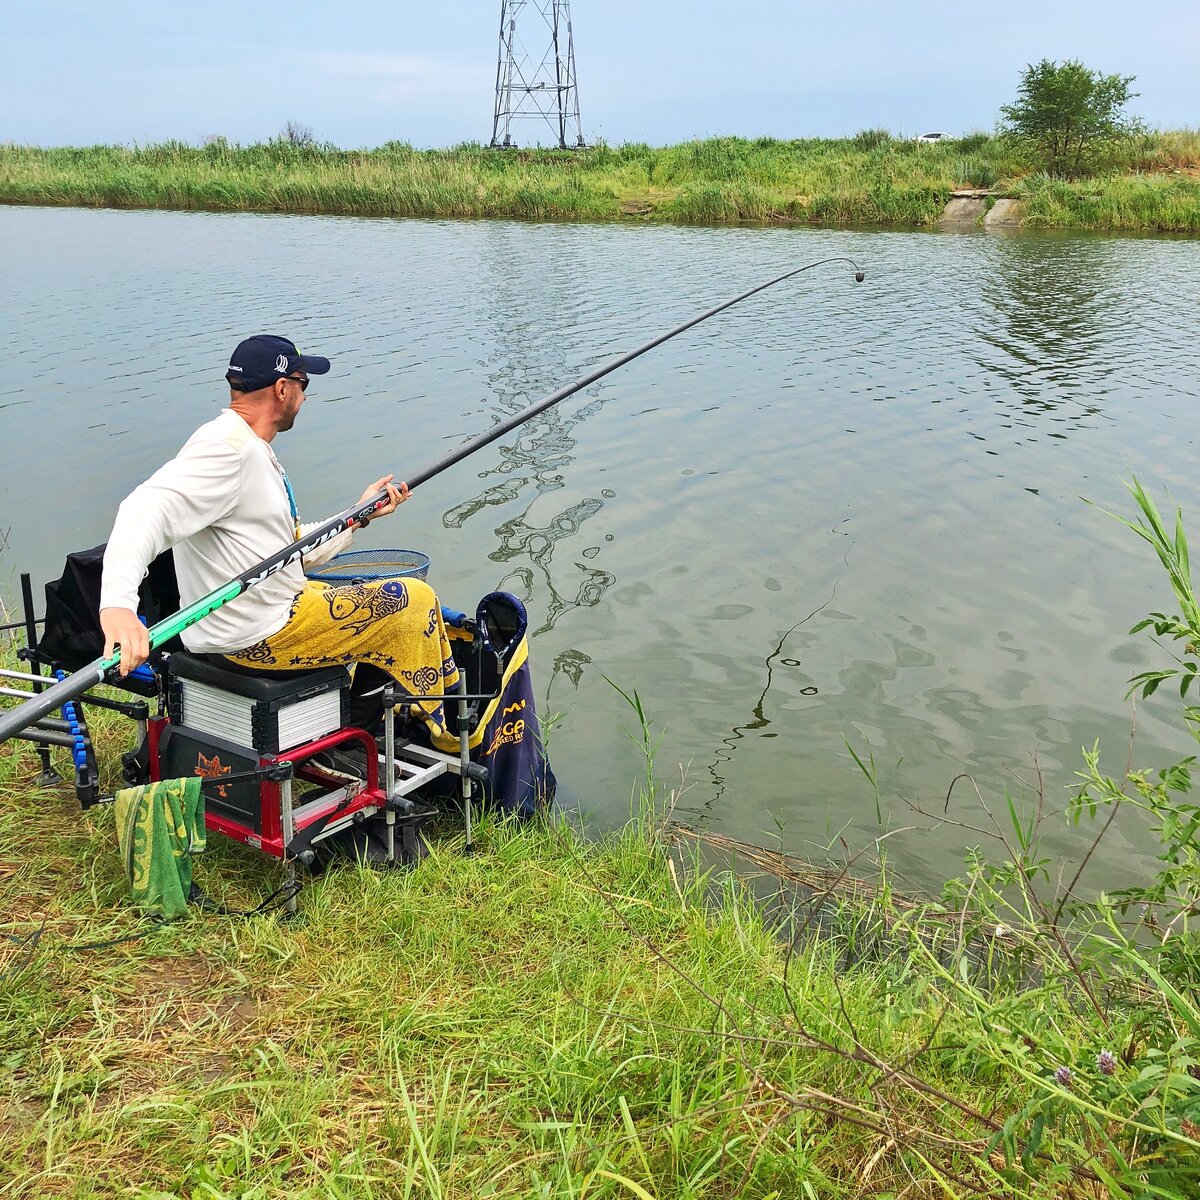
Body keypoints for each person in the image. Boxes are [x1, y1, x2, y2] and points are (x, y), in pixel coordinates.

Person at [99, 334, 460, 742]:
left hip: (264, 614)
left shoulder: (244, 445)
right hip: (257, 635)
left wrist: (357, 516)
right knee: (413, 601)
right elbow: (142, 510)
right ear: (282, 388)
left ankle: (354, 727)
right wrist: (117, 605)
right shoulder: (227, 451)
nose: (305, 397)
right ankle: (438, 733)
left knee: (377, 596)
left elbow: (285, 551)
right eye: (303, 384)